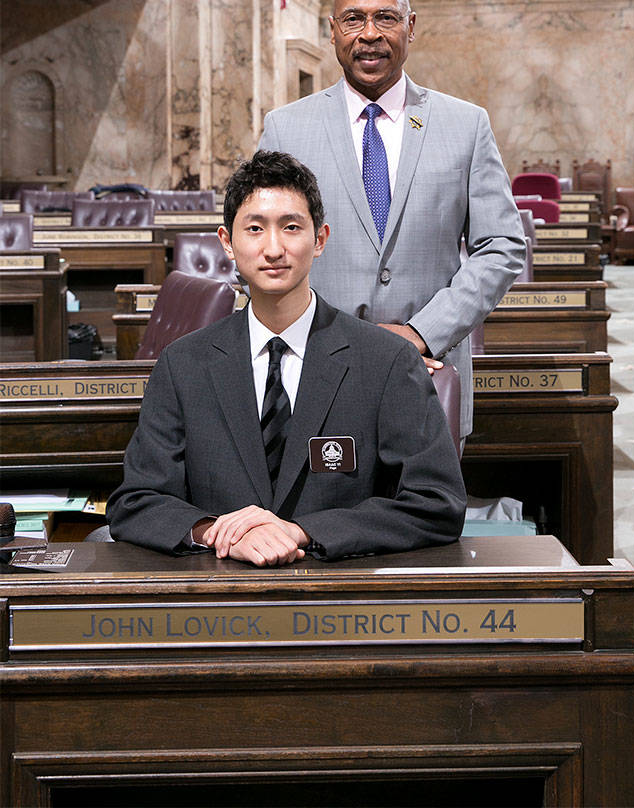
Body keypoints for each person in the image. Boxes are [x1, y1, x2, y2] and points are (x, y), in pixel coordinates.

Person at [107, 151, 466, 565]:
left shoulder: (386, 360)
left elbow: (438, 503)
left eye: (291, 227)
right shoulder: (183, 364)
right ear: (227, 242)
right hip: (219, 587)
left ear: (320, 239)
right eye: (255, 229)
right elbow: (136, 502)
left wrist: (302, 531)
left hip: (342, 589)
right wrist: (220, 533)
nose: (274, 248)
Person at [259, 0, 526, 438]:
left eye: (386, 17)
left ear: (411, 26)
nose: (369, 34)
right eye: (353, 19)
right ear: (332, 31)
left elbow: (501, 245)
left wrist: (423, 332)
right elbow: (260, 246)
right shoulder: (287, 129)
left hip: (431, 374)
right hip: (315, 376)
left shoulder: (465, 125)